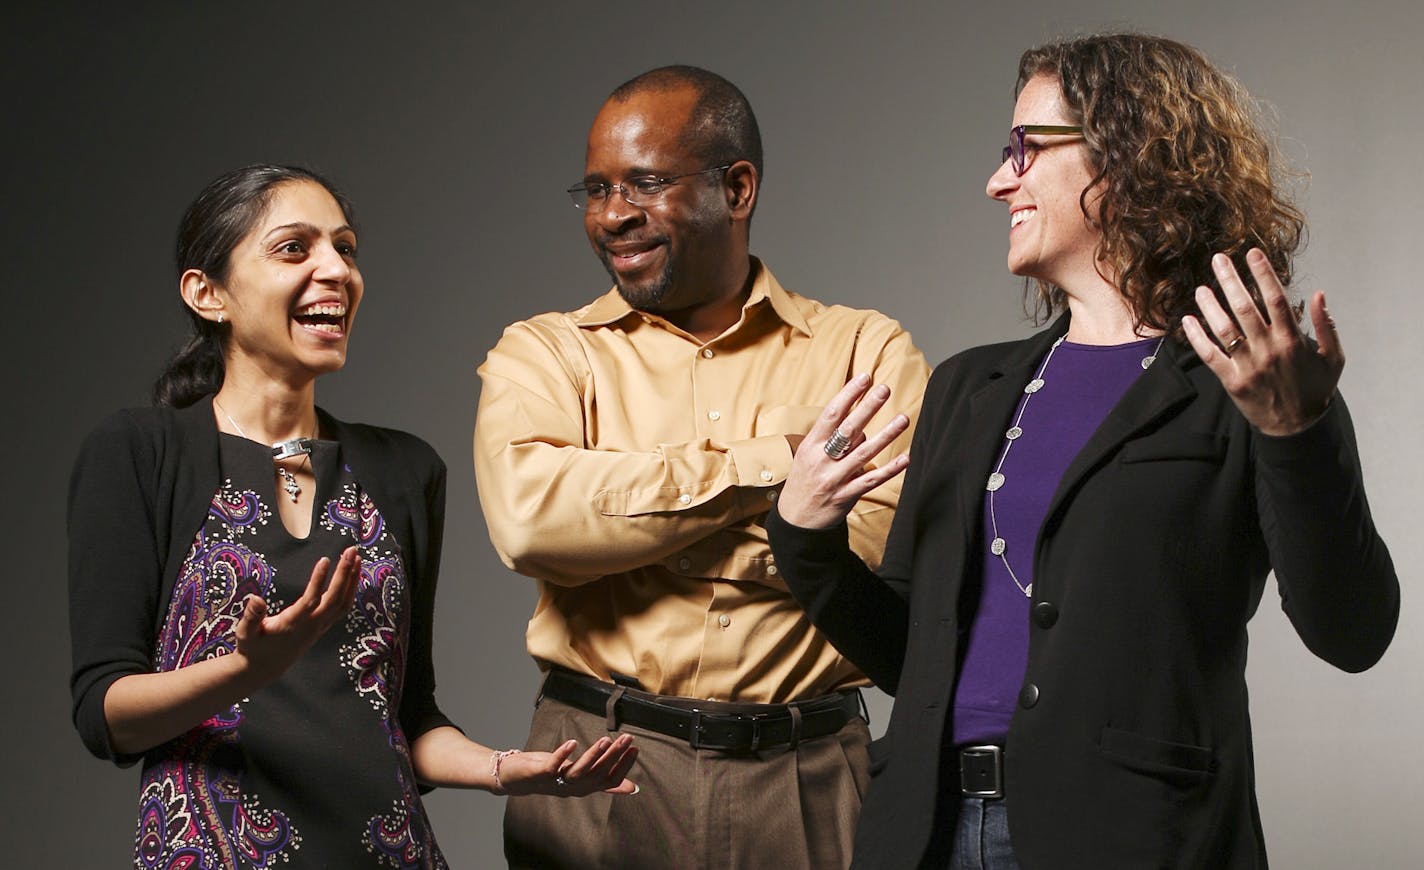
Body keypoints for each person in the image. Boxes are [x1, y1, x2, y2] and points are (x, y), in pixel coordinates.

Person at [766, 33, 1400, 869]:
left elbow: (1352, 633)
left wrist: (1297, 434)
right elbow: (906, 661)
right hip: (926, 834)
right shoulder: (968, 388)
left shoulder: (1253, 382)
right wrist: (804, 535)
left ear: (1126, 154)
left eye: (1025, 148)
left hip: (1133, 837)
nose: (999, 181)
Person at [68, 164, 638, 870]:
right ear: (207, 294)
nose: (336, 270)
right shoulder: (138, 452)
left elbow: (408, 717)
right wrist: (246, 670)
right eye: (294, 249)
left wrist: (505, 770)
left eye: (346, 248)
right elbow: (105, 713)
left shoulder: (404, 469)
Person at [474, 66, 930, 869]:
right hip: (597, 770)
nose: (613, 215)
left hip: (809, 779)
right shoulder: (545, 353)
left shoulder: (865, 350)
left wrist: (627, 537)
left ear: (738, 188)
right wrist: (779, 474)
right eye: (596, 189)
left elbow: (883, 557)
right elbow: (532, 525)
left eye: (643, 184)